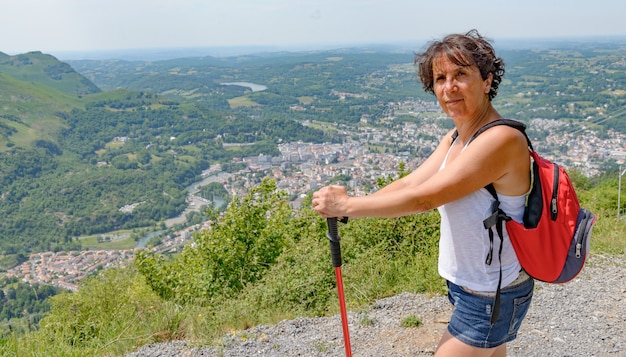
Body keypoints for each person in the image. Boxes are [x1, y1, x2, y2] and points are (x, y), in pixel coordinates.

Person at [312, 30, 534, 357]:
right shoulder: (457, 138)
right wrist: (348, 209)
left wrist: (347, 204)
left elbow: (425, 199)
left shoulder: (501, 140)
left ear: (487, 80)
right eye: (440, 78)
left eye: (461, 74)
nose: (449, 87)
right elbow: (409, 185)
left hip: (491, 294)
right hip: (471, 286)